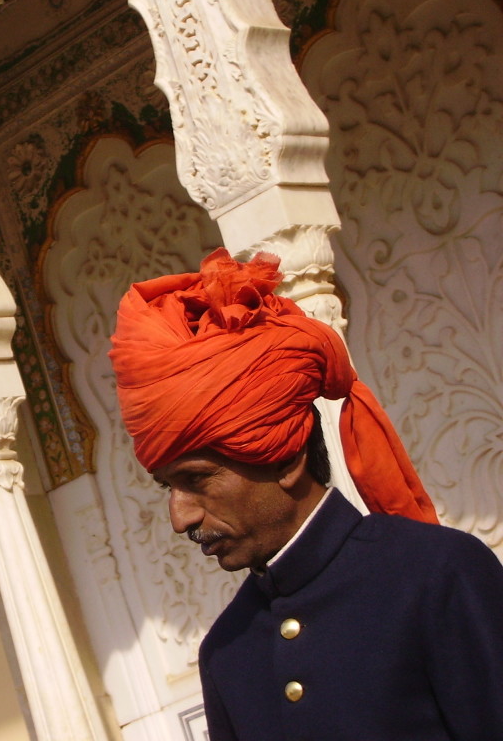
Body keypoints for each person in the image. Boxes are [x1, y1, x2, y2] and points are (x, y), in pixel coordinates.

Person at [109, 248, 503, 740]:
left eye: (197, 479)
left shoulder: (436, 575)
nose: (180, 517)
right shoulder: (228, 651)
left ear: (287, 458)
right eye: (169, 487)